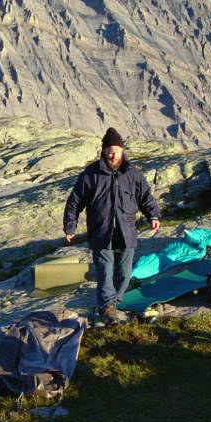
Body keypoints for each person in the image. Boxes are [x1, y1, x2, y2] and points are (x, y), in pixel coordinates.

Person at [64, 127, 161, 324]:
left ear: (122, 151)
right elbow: (75, 202)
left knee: (124, 273)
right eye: (109, 150)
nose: (112, 154)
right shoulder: (91, 174)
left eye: (115, 150)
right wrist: (70, 226)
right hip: (101, 231)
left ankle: (113, 301)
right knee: (105, 271)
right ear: (103, 151)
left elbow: (145, 197)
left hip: (126, 231)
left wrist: (153, 214)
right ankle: (107, 307)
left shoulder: (133, 173)